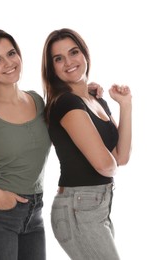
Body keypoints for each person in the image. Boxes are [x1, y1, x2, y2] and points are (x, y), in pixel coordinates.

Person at [0, 28, 103, 260]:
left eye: (11, 54)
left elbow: (67, 109)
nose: (8, 63)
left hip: (34, 214)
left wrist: (87, 92)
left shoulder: (37, 100)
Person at [41, 28, 132, 260]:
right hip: (78, 208)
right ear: (51, 68)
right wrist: (108, 161)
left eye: (74, 52)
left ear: (85, 54)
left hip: (97, 206)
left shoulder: (96, 99)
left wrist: (125, 105)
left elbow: (121, 157)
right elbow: (105, 164)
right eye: (58, 58)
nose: (69, 62)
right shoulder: (66, 103)